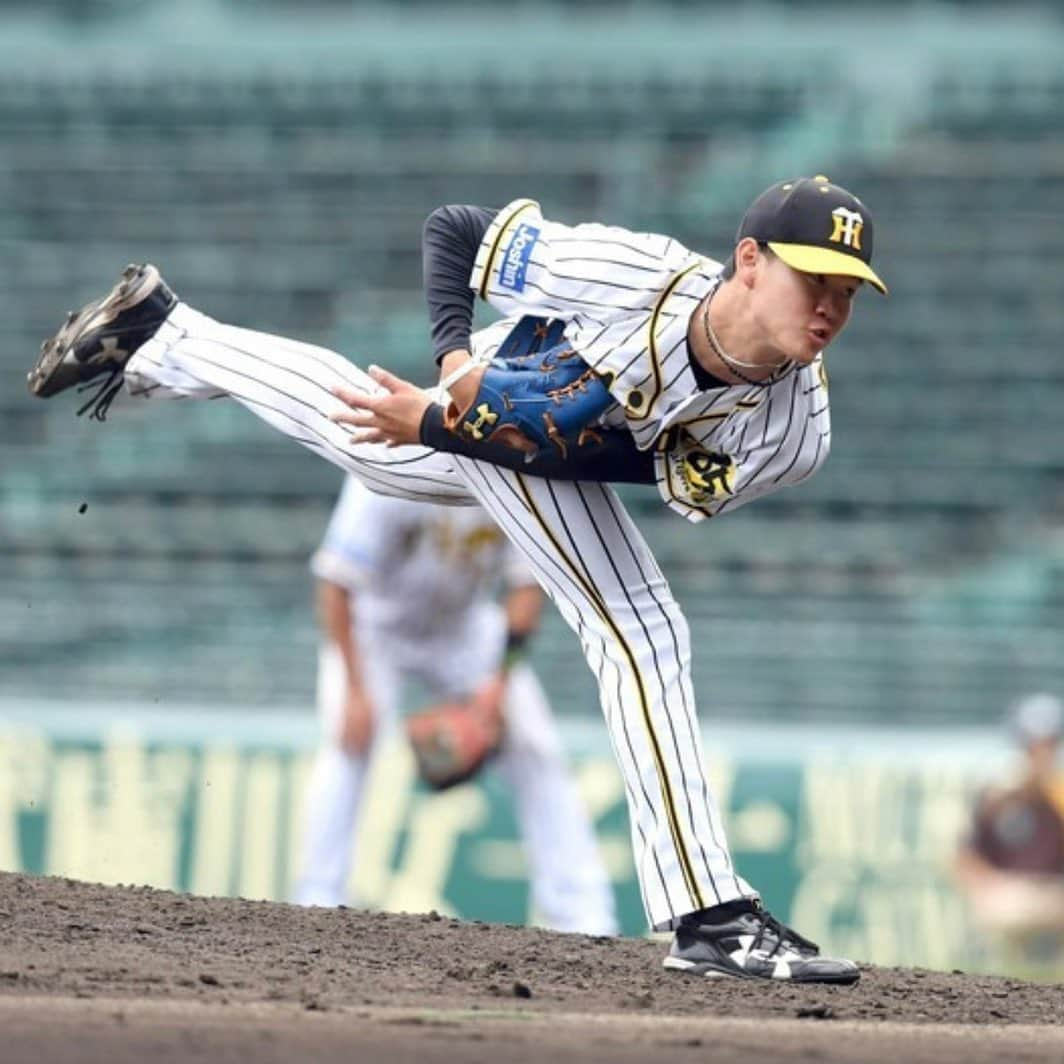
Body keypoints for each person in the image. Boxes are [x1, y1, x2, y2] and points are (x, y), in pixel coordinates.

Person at [27, 174, 886, 984]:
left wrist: (448, 428)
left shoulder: (795, 433)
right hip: (512, 370)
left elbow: (614, 462)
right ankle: (708, 916)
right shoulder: (636, 275)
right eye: (814, 276)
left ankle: (169, 335)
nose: (831, 306)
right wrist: (452, 382)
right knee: (642, 630)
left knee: (377, 453)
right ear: (748, 261)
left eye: (848, 291)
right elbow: (456, 231)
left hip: (526, 424)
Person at [293, 474, 618, 936]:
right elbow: (335, 584)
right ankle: (317, 901)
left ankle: (584, 918)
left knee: (535, 746)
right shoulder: (391, 462)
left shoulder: (518, 467)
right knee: (348, 745)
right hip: (375, 627)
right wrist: (355, 691)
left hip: (463, 629)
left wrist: (497, 686)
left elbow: (527, 586)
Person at [954, 693, 1064, 966]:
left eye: (1050, 744)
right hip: (1009, 891)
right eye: (1033, 745)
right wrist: (986, 889)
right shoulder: (997, 789)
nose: (1042, 752)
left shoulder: (1057, 789)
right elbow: (966, 855)